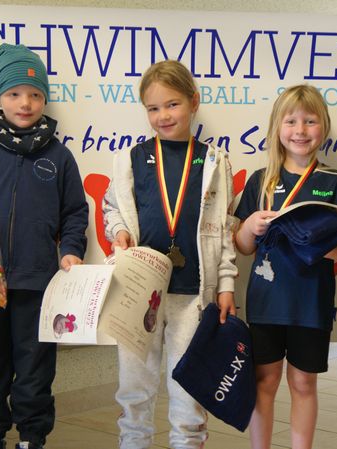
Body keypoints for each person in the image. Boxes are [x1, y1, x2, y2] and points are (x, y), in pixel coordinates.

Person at [0, 43, 89, 449]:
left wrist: (71, 249)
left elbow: (75, 213)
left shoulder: (59, 157)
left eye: (35, 94)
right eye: (14, 94)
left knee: (35, 366)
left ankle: (31, 437)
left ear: (44, 99)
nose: (25, 103)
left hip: (38, 280)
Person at [102, 59, 237, 449]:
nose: (163, 116)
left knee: (189, 389)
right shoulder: (130, 159)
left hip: (192, 293)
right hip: (138, 291)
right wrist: (119, 231)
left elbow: (225, 229)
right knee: (134, 386)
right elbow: (113, 208)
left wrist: (226, 284)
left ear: (194, 102)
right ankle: (133, 442)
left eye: (172, 104)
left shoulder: (214, 161)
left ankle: (188, 441)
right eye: (153, 108)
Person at [234, 84, 337, 449]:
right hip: (266, 304)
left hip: (311, 304)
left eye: (310, 121)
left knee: (304, 383)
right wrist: (249, 225)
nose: (300, 130)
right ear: (277, 127)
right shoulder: (261, 181)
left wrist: (318, 241)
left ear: (324, 126)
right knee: (264, 381)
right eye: (290, 121)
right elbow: (242, 247)